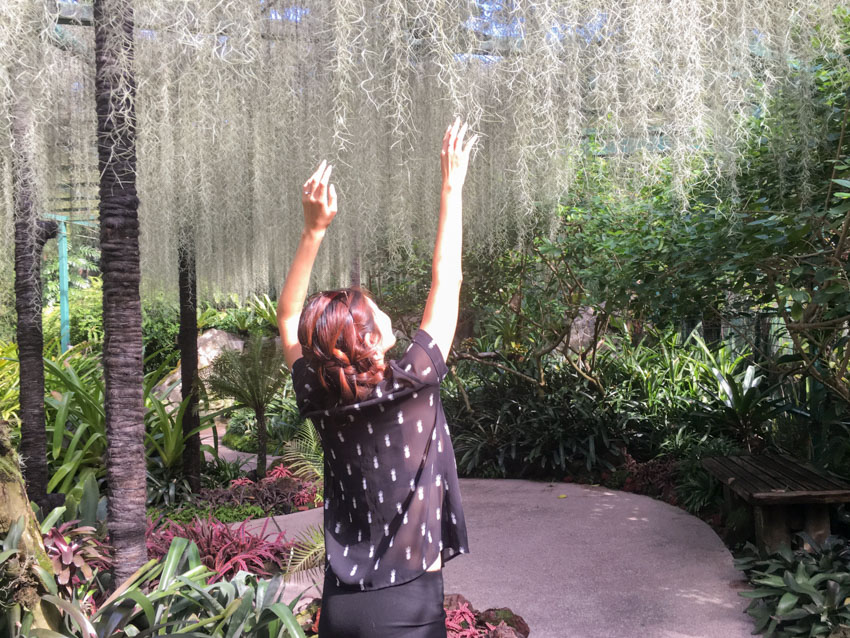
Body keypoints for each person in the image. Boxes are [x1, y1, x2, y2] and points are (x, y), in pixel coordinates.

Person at [276, 117, 478, 637]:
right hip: (409, 609)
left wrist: (313, 230)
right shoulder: (416, 381)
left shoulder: (320, 395)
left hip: (340, 608)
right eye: (372, 309)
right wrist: (452, 184)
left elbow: (286, 316)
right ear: (368, 341)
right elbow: (448, 276)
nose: (380, 308)